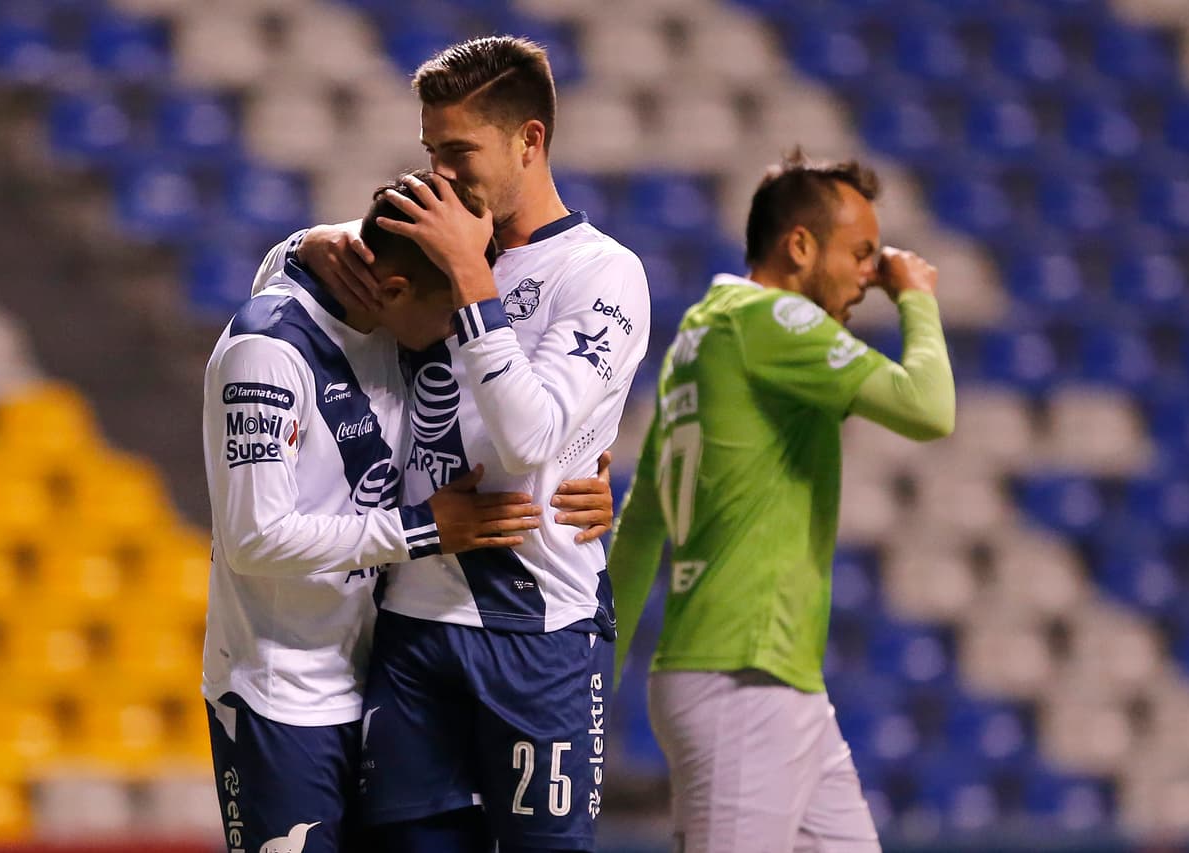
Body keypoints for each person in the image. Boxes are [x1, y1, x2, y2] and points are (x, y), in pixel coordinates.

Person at [294, 35, 650, 853]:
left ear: (530, 140)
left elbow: (530, 442)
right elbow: (293, 284)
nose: (442, 174)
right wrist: (308, 244)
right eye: (431, 151)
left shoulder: (601, 274)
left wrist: (471, 283)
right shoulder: (439, 236)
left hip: (539, 634)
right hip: (415, 625)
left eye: (460, 151)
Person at [203, 171, 614, 853]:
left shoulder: (395, 325)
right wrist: (427, 528)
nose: (461, 331)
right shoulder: (266, 350)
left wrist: (578, 481)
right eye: (453, 311)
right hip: (279, 691)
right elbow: (254, 537)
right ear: (393, 291)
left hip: (374, 674)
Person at [607, 150, 956, 853]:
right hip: (742, 681)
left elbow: (641, 523)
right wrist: (914, 295)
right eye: (861, 253)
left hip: (773, 679)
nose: (870, 272)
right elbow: (929, 408)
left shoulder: (704, 334)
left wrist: (593, 674)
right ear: (799, 245)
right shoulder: (768, 320)